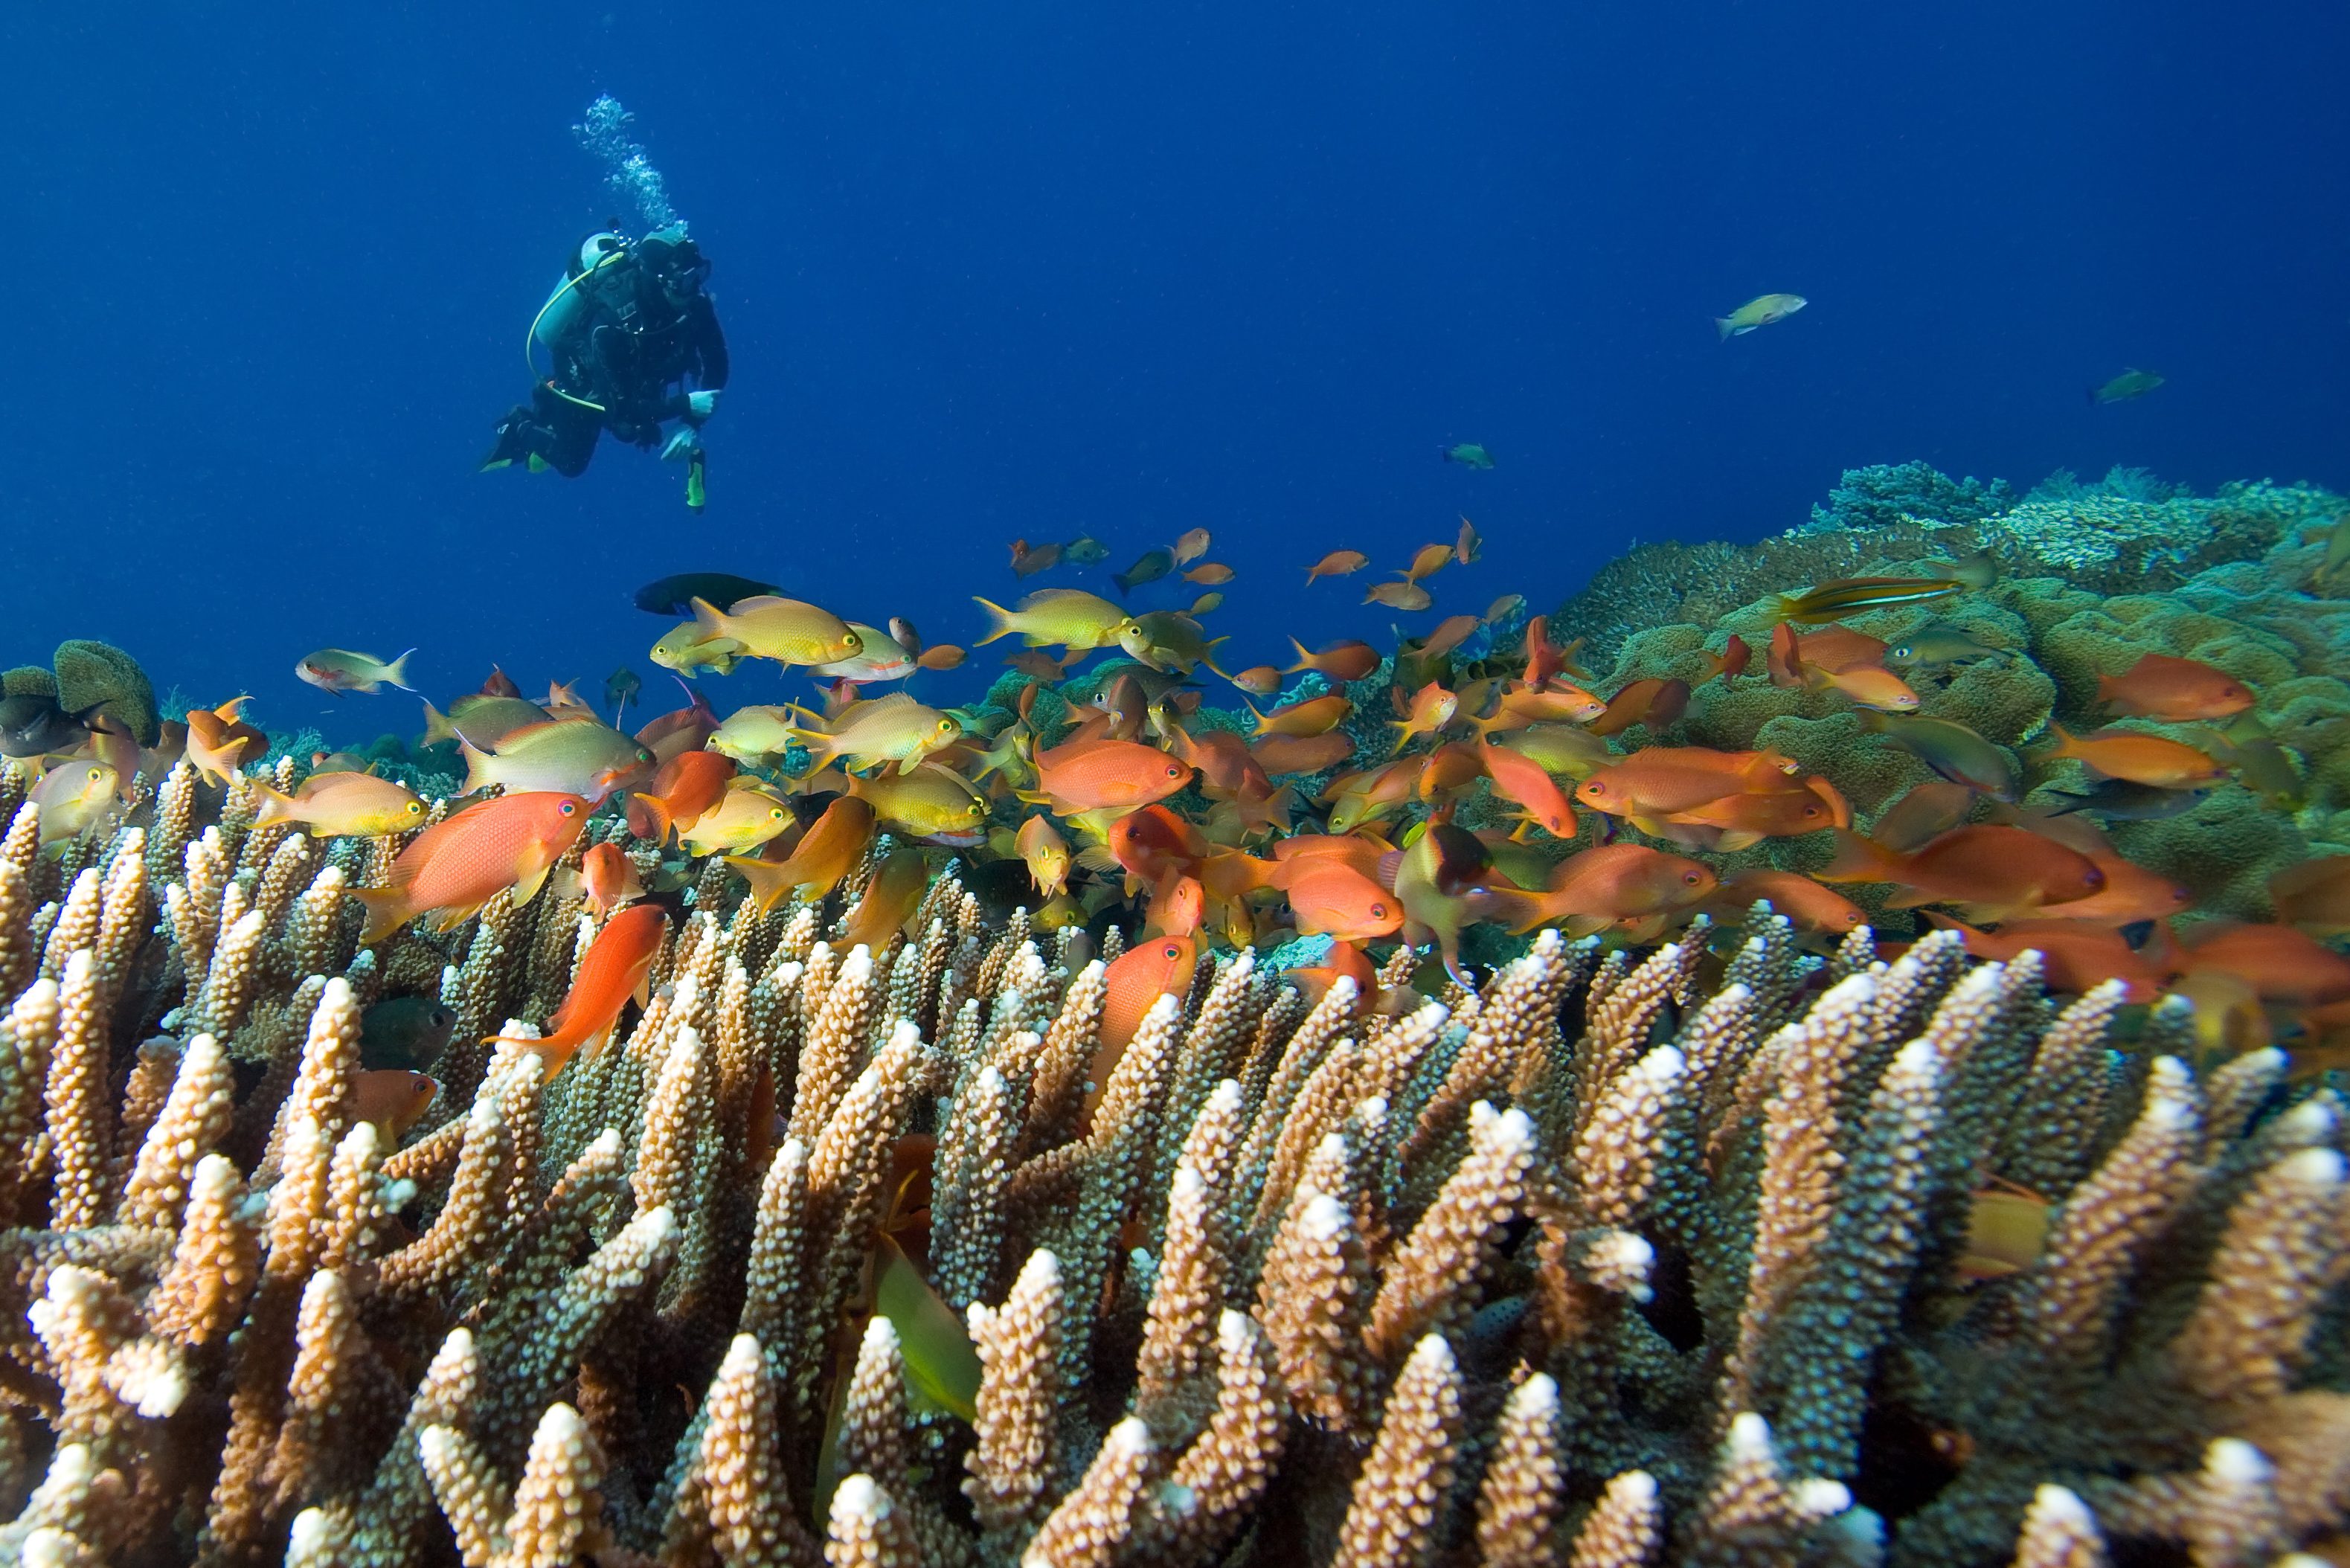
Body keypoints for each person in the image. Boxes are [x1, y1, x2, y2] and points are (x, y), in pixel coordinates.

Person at [482, 222, 729, 510]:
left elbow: (718, 364)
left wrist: (690, 424)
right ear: (660, 281)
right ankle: (522, 420)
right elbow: (621, 409)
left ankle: (550, 410)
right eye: (686, 280)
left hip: (636, 375)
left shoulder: (693, 302)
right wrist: (685, 404)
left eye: (699, 275)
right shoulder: (610, 323)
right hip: (586, 377)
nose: (695, 287)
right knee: (571, 462)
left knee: (635, 427)